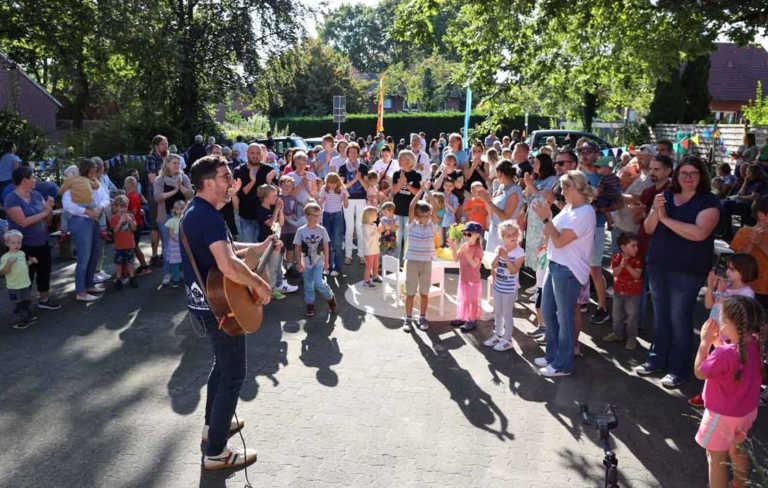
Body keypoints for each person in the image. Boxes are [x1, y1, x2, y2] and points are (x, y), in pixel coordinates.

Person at [180, 155, 275, 470]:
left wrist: (257, 248)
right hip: (220, 308)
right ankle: (217, 452)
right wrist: (260, 283)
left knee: (222, 368)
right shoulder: (207, 216)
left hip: (207, 305)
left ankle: (212, 428)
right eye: (224, 178)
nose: (231, 183)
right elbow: (227, 264)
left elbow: (226, 250)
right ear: (208, 183)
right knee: (233, 374)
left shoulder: (198, 212)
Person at [636, 155, 721, 388]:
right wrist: (656, 212)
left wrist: (666, 218)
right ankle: (656, 359)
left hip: (687, 270)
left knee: (679, 319)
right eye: (684, 173)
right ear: (676, 174)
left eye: (693, 173)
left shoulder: (709, 201)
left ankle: (678, 369)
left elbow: (699, 233)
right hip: (658, 264)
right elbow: (648, 227)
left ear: (701, 176)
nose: (688, 178)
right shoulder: (664, 196)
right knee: (661, 316)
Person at [531, 171, 596, 377]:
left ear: (573, 188)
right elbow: (549, 234)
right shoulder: (569, 208)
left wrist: (545, 219)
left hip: (568, 271)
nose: (560, 192)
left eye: (563, 187)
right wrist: (547, 219)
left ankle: (563, 364)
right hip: (555, 264)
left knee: (564, 318)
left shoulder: (586, 212)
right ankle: (552, 356)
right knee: (549, 313)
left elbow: (558, 240)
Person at [694, 296, 763, 488]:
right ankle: (739, 485)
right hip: (746, 413)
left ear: (732, 323)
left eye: (722, 317)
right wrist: (718, 342)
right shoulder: (755, 343)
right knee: (738, 449)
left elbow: (700, 372)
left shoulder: (724, 354)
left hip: (721, 416)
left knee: (716, 460)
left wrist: (705, 343)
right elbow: (732, 361)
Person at [689, 253, 758, 408]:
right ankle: (707, 393)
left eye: (732, 270)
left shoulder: (747, 293)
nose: (727, 272)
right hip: (715, 330)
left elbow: (731, 309)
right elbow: (708, 305)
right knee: (712, 362)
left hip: (729, 336)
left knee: (721, 364)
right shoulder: (727, 286)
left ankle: (717, 394)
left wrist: (720, 292)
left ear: (744, 272)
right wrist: (711, 287)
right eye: (728, 268)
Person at [3, 166, 59, 310]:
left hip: (42, 240)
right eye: (32, 177)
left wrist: (49, 208)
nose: (35, 180)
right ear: (24, 180)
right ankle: (23, 309)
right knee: (25, 275)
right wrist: (45, 211)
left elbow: (48, 217)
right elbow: (23, 222)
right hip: (23, 245)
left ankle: (44, 300)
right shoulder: (11, 199)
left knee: (44, 271)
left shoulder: (36, 194)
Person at [63, 159, 110, 302]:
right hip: (81, 221)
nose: (93, 174)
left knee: (94, 254)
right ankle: (81, 291)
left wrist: (99, 208)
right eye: (91, 172)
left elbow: (105, 198)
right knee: (84, 257)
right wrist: (87, 211)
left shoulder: (96, 182)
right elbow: (68, 204)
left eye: (94, 171)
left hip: (94, 220)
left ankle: (89, 285)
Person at [483, 221, 525, 350]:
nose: (512, 237)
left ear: (518, 234)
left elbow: (514, 270)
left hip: (509, 288)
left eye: (514, 234)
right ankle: (498, 335)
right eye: (508, 235)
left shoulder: (520, 252)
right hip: (498, 286)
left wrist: (506, 257)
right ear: (502, 237)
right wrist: (498, 255)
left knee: (507, 313)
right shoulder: (500, 248)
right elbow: (494, 265)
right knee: (498, 312)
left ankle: (507, 339)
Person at [402, 181, 437, 333]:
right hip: (412, 262)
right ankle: (408, 318)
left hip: (427, 262)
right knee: (410, 292)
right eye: (422, 216)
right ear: (416, 216)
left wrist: (427, 191)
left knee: (424, 292)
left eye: (427, 216)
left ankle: (422, 317)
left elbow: (435, 206)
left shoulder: (431, 225)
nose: (425, 218)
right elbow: (411, 205)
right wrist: (420, 190)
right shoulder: (412, 225)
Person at [154, 154, 194, 286]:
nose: (177, 165)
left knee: (184, 244)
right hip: (166, 217)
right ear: (167, 164)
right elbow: (158, 197)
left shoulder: (184, 177)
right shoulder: (160, 179)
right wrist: (174, 190)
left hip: (183, 217)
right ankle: (167, 272)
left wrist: (180, 187)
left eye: (178, 163)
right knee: (167, 246)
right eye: (174, 163)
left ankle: (182, 272)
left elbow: (191, 194)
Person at [294, 202, 337, 317]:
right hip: (306, 262)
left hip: (319, 261)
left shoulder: (322, 230)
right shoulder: (301, 231)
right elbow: (297, 248)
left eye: (318, 215)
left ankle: (330, 296)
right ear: (307, 216)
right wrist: (299, 263)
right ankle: (310, 303)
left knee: (318, 282)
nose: (317, 218)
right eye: (314, 215)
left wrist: (327, 261)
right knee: (308, 284)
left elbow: (326, 246)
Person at [254, 184, 296, 298]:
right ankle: (266, 290)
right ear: (266, 198)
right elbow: (271, 224)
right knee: (266, 269)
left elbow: (281, 223)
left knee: (274, 266)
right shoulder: (260, 210)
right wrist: (277, 209)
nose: (276, 198)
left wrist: (280, 210)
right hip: (265, 244)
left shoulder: (273, 208)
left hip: (275, 243)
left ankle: (272, 289)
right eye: (273, 196)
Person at [603, 232, 643, 350]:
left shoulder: (637, 260)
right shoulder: (616, 258)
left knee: (631, 316)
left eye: (637, 246)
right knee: (617, 315)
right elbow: (614, 273)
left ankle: (631, 338)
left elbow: (637, 275)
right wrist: (621, 265)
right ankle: (617, 333)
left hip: (633, 294)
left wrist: (628, 266)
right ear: (623, 247)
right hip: (618, 293)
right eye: (633, 246)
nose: (636, 248)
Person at [232, 144, 276, 243]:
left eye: (258, 153)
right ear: (246, 154)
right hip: (247, 216)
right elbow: (239, 194)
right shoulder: (239, 171)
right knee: (250, 249)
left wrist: (269, 181)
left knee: (266, 251)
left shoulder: (268, 169)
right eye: (252, 153)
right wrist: (252, 181)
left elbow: (275, 193)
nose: (255, 156)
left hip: (266, 217)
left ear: (262, 154)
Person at [523, 153, 558, 272]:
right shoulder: (537, 179)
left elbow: (544, 199)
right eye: (534, 163)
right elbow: (527, 199)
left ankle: (541, 277)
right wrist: (528, 185)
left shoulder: (552, 179)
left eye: (537, 163)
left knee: (541, 247)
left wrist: (531, 186)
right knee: (533, 247)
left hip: (543, 219)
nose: (534, 165)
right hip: (533, 219)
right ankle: (536, 277)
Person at [478, 160, 523, 252]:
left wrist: (488, 201)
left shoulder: (514, 191)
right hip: (493, 231)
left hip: (506, 235)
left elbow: (506, 217)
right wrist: (485, 199)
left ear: (500, 173)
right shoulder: (500, 187)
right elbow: (491, 213)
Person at [447, 221, 484, 331]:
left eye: (469, 234)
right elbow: (455, 259)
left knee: (472, 300)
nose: (466, 236)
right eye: (465, 234)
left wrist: (466, 252)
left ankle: (472, 320)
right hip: (463, 278)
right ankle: (463, 317)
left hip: (473, 279)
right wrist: (454, 248)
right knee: (463, 299)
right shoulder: (464, 246)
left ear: (477, 235)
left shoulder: (478, 249)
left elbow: (474, 264)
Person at [338, 142, 369, 265]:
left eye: (355, 152)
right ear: (347, 153)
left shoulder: (363, 167)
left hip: (361, 199)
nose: (353, 154)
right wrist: (355, 179)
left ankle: (362, 254)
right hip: (348, 199)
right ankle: (348, 255)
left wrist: (359, 178)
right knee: (350, 228)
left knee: (360, 227)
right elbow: (342, 186)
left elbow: (366, 186)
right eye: (351, 152)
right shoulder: (342, 167)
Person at [1, 229, 38, 328]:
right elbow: (3, 272)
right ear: (7, 243)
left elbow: (23, 265)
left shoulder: (21, 253)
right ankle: (18, 321)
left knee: (26, 301)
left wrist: (30, 262)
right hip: (14, 286)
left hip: (25, 283)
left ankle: (26, 316)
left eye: (19, 242)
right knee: (18, 304)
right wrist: (8, 264)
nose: (16, 245)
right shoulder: (5, 257)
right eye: (13, 243)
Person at [720, 164, 767, 240]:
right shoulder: (750, 181)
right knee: (727, 205)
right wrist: (745, 182)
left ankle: (732, 232)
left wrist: (739, 197)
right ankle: (727, 230)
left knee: (732, 207)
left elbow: (752, 197)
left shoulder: (760, 182)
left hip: (754, 204)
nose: (746, 174)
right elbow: (741, 193)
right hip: (744, 202)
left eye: (748, 172)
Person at [391, 151, 422, 259]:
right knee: (397, 236)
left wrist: (407, 184)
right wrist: (400, 181)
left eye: (401, 158)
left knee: (408, 237)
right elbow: (394, 191)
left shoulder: (417, 175)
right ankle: (396, 260)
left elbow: (418, 193)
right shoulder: (396, 174)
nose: (398, 161)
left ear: (408, 161)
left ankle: (407, 260)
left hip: (410, 211)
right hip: (397, 209)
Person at [318, 173, 347, 277]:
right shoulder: (324, 189)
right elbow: (320, 202)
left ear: (337, 182)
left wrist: (344, 197)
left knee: (338, 243)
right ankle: (327, 266)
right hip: (326, 215)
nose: (331, 186)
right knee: (327, 242)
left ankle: (337, 268)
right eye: (329, 183)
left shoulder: (342, 189)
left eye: (333, 184)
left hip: (337, 216)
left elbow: (346, 206)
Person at [146, 135, 168, 267]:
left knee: (167, 225)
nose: (166, 146)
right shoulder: (151, 158)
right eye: (163, 144)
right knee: (155, 226)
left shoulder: (168, 158)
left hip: (167, 195)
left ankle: (165, 253)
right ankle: (154, 255)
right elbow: (153, 179)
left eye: (166, 144)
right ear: (156, 146)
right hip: (154, 196)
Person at [109, 195, 139, 290]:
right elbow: (115, 231)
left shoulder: (131, 216)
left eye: (125, 207)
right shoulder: (114, 218)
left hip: (129, 244)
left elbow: (134, 228)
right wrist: (120, 222)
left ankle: (132, 278)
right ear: (117, 207)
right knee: (119, 264)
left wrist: (130, 220)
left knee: (130, 262)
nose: (123, 209)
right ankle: (118, 280)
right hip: (119, 246)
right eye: (121, 207)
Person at [124, 176, 150, 275]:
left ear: (128, 185)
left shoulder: (132, 196)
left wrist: (123, 212)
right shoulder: (133, 194)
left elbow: (134, 211)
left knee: (134, 246)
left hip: (136, 224)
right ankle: (142, 266)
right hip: (138, 223)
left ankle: (144, 266)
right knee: (134, 246)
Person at [278, 176, 301, 278]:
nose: (287, 187)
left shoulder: (293, 199)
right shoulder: (277, 198)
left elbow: (295, 214)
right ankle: (279, 269)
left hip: (291, 229)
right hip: (281, 230)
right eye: (285, 185)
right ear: (280, 185)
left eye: (289, 186)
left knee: (290, 250)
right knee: (280, 251)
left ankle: (289, 268)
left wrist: (292, 217)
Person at [593, 156, 621, 230]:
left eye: (598, 167)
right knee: (607, 211)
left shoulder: (603, 179)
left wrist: (593, 193)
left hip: (603, 198)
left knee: (595, 207)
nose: (596, 169)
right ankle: (610, 223)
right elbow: (619, 184)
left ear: (607, 167)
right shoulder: (615, 177)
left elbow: (599, 191)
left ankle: (609, 223)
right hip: (612, 198)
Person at [164, 199, 187, 288]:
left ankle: (185, 278)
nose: (179, 211)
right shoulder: (172, 220)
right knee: (175, 263)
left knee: (184, 261)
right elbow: (171, 233)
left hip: (184, 244)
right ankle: (176, 279)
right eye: (177, 209)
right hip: (175, 245)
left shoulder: (186, 220)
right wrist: (178, 240)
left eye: (181, 209)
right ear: (174, 210)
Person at [361, 206, 381, 288]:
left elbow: (377, 236)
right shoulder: (365, 227)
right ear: (369, 216)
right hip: (369, 250)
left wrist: (379, 232)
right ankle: (366, 281)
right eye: (375, 215)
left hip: (375, 249)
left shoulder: (374, 225)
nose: (377, 216)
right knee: (369, 265)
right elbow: (369, 239)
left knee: (376, 264)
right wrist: (377, 233)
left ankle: (375, 276)